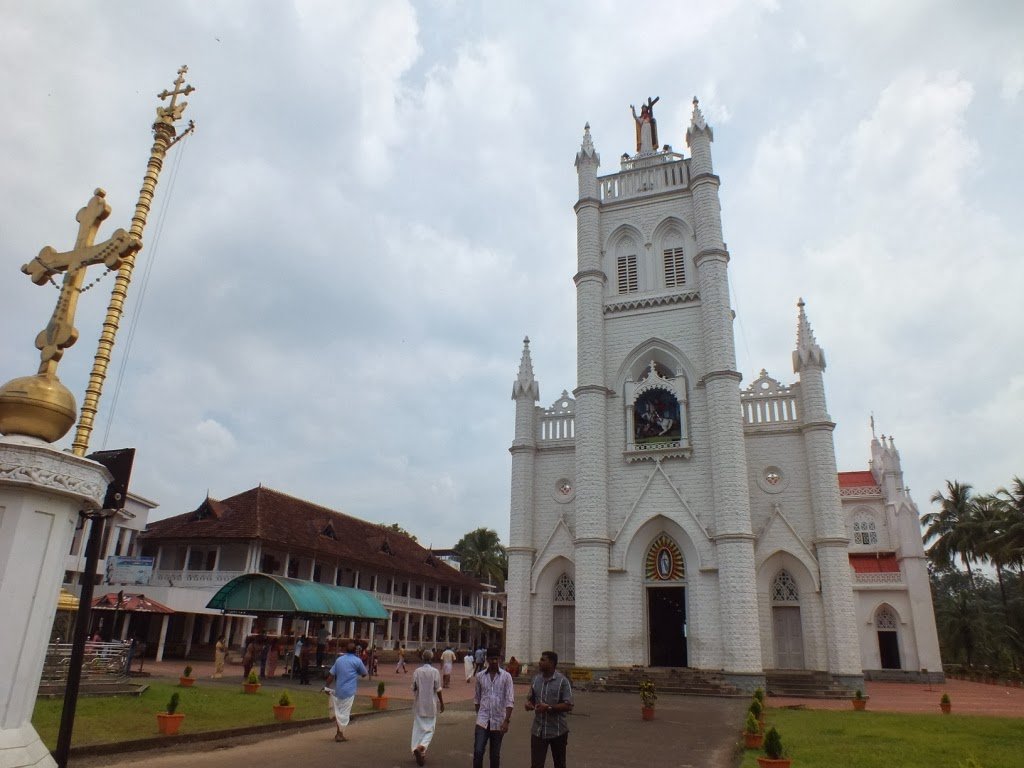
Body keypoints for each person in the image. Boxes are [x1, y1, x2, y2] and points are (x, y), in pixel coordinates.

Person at [525, 651, 573, 768]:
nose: (539, 662)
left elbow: (569, 705)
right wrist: (529, 705)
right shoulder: (536, 680)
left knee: (560, 764)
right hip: (538, 731)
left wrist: (549, 707)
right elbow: (531, 699)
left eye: (542, 660)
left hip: (557, 731)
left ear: (551, 663)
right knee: (536, 765)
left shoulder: (563, 681)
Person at [473, 647, 514, 768]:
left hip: (498, 721)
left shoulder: (506, 677)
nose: (494, 662)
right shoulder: (480, 676)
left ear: (500, 659)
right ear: (487, 660)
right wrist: (479, 715)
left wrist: (506, 721)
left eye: (496, 659)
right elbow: (477, 698)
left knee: (495, 755)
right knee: (478, 751)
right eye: (492, 659)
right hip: (482, 721)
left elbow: (509, 700)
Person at [325, 642, 367, 742]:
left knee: (339, 712)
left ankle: (338, 733)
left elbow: (331, 675)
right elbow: (364, 673)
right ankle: (339, 734)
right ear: (355, 651)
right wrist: (355, 671)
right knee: (344, 713)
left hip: (339, 690)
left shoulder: (339, 660)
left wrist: (326, 686)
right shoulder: (357, 661)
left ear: (345, 650)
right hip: (349, 691)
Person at [410, 649, 444, 765]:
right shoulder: (435, 672)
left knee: (418, 729)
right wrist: (442, 703)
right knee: (430, 729)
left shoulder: (417, 671)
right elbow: (438, 689)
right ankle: (421, 747)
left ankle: (417, 748)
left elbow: (414, 687)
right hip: (431, 704)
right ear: (432, 659)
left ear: (422, 658)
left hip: (419, 704)